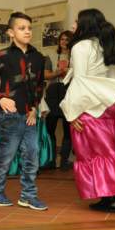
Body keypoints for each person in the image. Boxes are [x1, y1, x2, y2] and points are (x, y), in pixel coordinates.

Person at [60, 9, 115, 213]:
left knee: (92, 153)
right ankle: (111, 195)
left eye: (76, 21)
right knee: (107, 151)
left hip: (89, 107)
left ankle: (111, 197)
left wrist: (72, 112)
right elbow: (111, 79)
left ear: (85, 24)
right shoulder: (103, 45)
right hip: (107, 105)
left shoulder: (81, 46)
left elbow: (80, 81)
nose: (73, 25)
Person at [0, 12, 47, 211]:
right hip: (9, 113)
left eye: (29, 28)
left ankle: (28, 195)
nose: (27, 31)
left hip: (29, 114)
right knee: (7, 154)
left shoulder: (38, 57)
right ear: (11, 32)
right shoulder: (1, 55)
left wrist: (34, 108)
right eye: (22, 28)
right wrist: (0, 97)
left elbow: (39, 85)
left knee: (32, 153)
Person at [43, 30, 73, 170]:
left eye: (67, 39)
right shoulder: (51, 55)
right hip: (53, 93)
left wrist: (69, 72)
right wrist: (58, 72)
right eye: (62, 39)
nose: (64, 42)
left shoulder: (76, 56)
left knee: (68, 129)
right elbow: (45, 75)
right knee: (50, 128)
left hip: (69, 93)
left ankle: (64, 161)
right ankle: (51, 160)